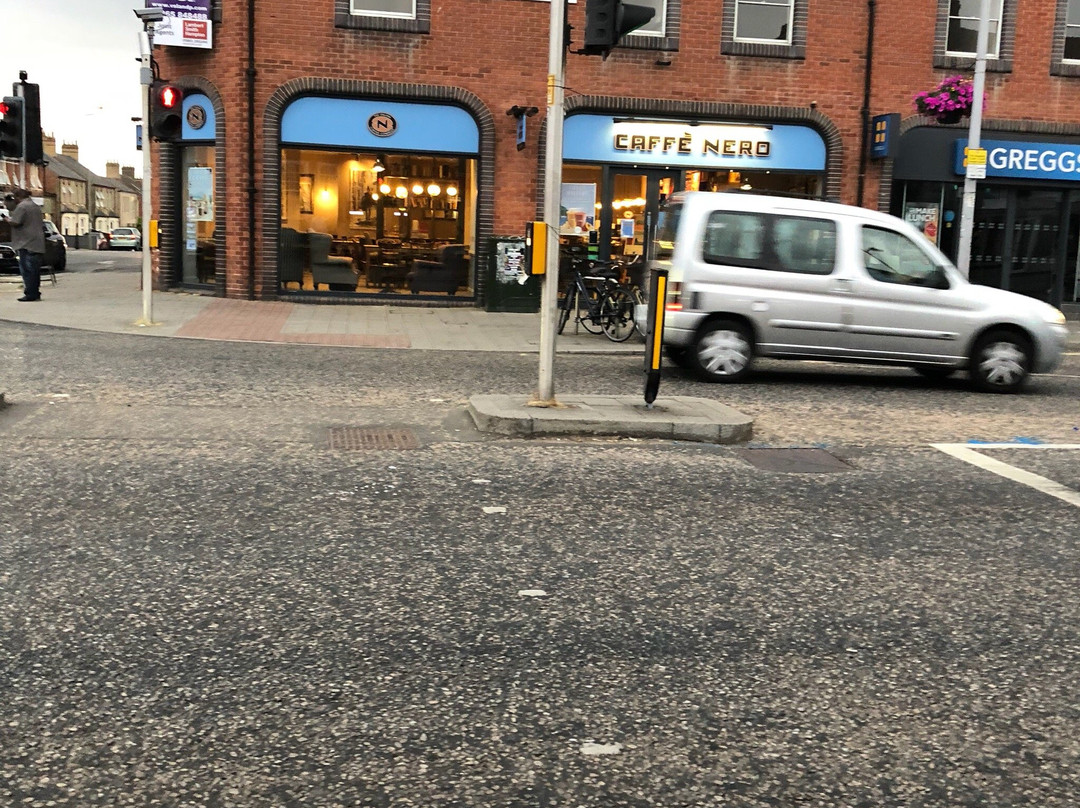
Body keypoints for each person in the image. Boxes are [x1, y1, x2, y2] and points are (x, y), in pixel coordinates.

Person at [5, 188, 45, 302]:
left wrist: (7, 219)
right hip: (37, 242)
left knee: (27, 271)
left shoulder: (22, 207)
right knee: (34, 271)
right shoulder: (35, 206)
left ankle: (30, 294)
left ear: (18, 197)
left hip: (26, 243)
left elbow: (16, 222)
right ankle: (35, 292)